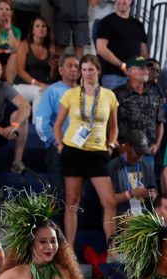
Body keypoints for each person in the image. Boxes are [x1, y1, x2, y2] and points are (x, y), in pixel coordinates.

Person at [53, 53, 119, 249]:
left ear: (98, 71)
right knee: (72, 200)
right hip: (74, 149)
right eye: (84, 70)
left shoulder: (109, 95)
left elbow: (114, 127)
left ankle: (112, 248)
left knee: (110, 202)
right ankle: (70, 249)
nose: (87, 73)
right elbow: (58, 124)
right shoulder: (71, 94)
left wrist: (111, 145)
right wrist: (59, 144)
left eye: (91, 69)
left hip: (98, 151)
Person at [34, 53, 79, 201]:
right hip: (58, 151)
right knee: (59, 196)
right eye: (70, 66)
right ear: (60, 70)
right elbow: (41, 123)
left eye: (77, 66)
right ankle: (55, 225)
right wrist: (57, 143)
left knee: (78, 199)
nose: (74, 69)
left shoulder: (86, 92)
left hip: (81, 151)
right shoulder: (52, 91)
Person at [112, 56, 164, 160]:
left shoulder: (155, 95)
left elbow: (160, 122)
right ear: (129, 71)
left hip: (147, 152)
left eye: (147, 69)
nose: (146, 72)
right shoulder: (117, 94)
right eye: (141, 69)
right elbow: (110, 124)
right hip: (124, 152)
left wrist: (157, 144)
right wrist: (116, 145)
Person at [94, 0, 148, 89]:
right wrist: (122, 65)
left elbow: (144, 53)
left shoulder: (138, 25)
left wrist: (142, 71)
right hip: (112, 76)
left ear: (131, 1)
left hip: (134, 78)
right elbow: (101, 49)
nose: (122, 2)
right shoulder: (106, 22)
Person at [108, 128, 155, 216]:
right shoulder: (112, 167)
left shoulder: (146, 166)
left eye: (143, 152)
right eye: (138, 152)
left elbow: (155, 193)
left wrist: (152, 195)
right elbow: (108, 200)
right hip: (122, 214)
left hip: (144, 215)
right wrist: (131, 193)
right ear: (127, 146)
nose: (141, 155)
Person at [11, 16, 54, 105]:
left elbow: (52, 77)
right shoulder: (24, 45)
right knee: (40, 93)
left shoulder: (51, 48)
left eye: (43, 26)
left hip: (43, 83)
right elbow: (20, 71)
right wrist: (37, 83)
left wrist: (53, 68)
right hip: (22, 85)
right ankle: (36, 119)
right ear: (33, 30)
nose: (41, 29)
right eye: (37, 26)